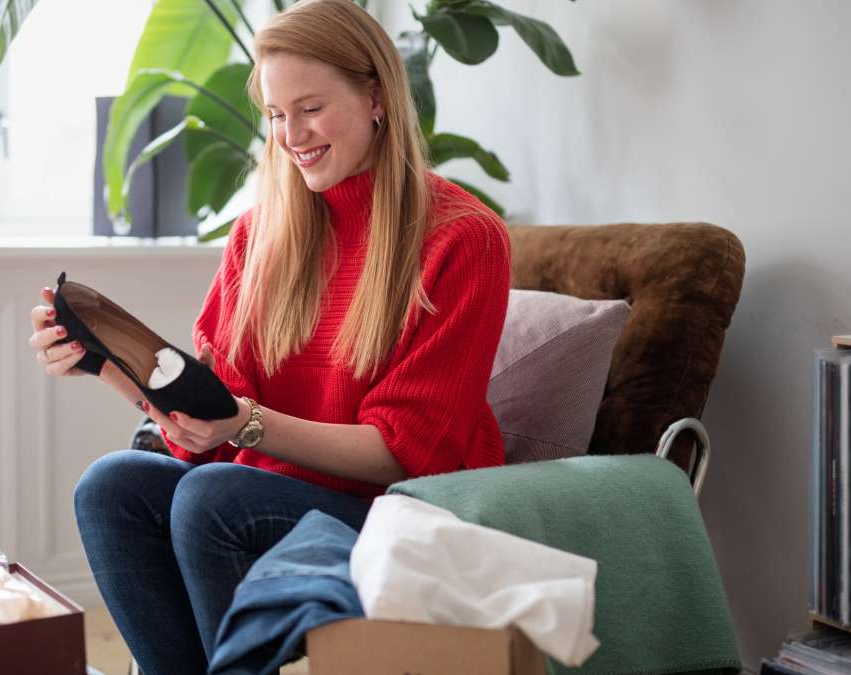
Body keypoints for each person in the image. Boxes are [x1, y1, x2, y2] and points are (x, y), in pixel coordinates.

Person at [28, 0, 511, 672]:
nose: (291, 135)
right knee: (109, 485)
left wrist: (246, 425)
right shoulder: (259, 235)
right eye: (277, 114)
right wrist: (104, 364)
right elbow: (208, 422)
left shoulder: (462, 237)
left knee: (212, 498)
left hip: (402, 509)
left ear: (376, 95)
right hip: (253, 493)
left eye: (309, 108)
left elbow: (405, 453)